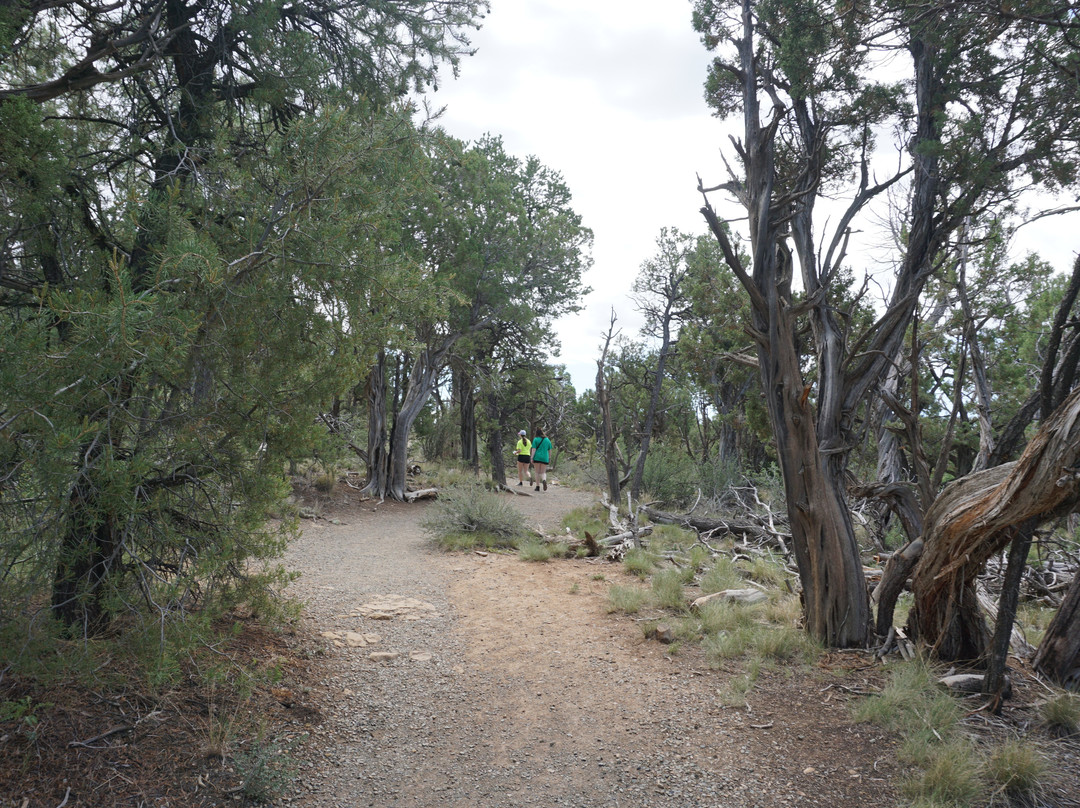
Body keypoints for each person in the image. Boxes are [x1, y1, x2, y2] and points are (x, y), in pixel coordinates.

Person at [530, 427, 553, 492]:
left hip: (537, 457)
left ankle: (537, 487)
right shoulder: (547, 440)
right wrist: (549, 458)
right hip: (545, 458)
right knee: (543, 472)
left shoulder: (536, 439)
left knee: (537, 472)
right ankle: (544, 480)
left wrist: (532, 457)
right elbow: (550, 450)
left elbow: (534, 449)